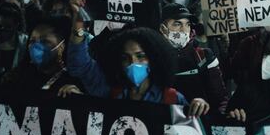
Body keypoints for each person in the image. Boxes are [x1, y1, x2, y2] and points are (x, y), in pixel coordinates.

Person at [67, 14, 209, 116]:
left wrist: (198, 106)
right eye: (126, 58)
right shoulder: (110, 90)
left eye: (140, 56)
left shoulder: (172, 99)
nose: (133, 63)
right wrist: (78, 27)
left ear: (154, 59)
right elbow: (81, 67)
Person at [159, 3, 228, 115]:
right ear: (163, 28)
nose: (184, 29)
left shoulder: (204, 56)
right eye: (177, 24)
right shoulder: (152, 58)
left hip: (199, 125)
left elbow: (221, 101)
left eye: (187, 24)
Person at [2, 16, 83, 97]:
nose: (36, 46)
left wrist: (78, 98)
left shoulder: (76, 80)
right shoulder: (16, 77)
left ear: (62, 46)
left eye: (45, 41)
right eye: (32, 41)